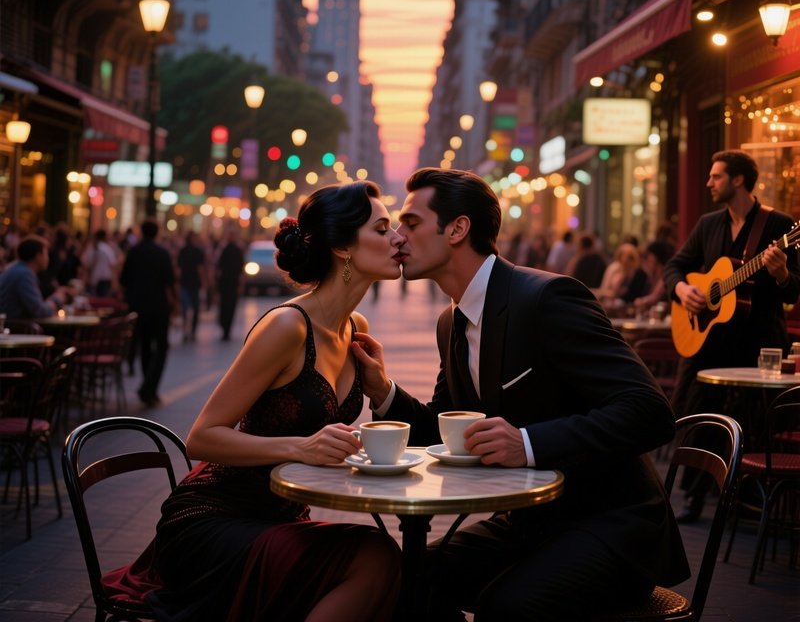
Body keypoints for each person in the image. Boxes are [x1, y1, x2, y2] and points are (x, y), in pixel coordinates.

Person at [353, 168, 688, 621]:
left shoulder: (548, 298)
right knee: (407, 575)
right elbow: (447, 429)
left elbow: (650, 412)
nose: (396, 237)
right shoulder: (451, 322)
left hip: (612, 523)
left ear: (457, 228)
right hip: (530, 520)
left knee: (508, 606)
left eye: (410, 223)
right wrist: (382, 388)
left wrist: (528, 444)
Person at [105, 181, 403, 621]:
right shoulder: (288, 326)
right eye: (382, 229)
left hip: (278, 519)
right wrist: (300, 448)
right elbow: (201, 438)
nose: (397, 238)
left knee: (387, 565)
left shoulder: (353, 325)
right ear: (342, 247)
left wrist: (378, 390)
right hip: (212, 520)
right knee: (376, 557)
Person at [663, 149, 800, 523]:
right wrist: (682, 291)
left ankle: (745, 501)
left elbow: (793, 292)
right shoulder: (709, 224)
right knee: (694, 413)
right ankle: (692, 494)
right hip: (708, 343)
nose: (708, 182)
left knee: (750, 420)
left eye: (716, 176)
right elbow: (676, 266)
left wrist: (781, 273)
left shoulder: (779, 225)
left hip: (758, 343)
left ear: (738, 180)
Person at [119, 220, 176, 407]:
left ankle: (147, 385)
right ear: (157, 232)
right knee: (161, 347)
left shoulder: (133, 252)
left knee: (144, 346)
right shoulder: (162, 253)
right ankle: (149, 387)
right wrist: (174, 304)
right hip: (159, 306)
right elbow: (169, 282)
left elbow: (124, 279)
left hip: (137, 306)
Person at [0, 235, 73, 318]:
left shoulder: (15, 268)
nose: (48, 259)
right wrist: (58, 298)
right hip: (14, 327)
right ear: (38, 256)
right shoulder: (24, 275)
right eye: (46, 254)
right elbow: (41, 311)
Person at [177, 231, 206, 343]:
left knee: (185, 308)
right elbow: (200, 269)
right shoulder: (198, 251)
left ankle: (185, 330)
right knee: (195, 307)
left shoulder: (182, 251)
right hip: (194, 283)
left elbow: (178, 269)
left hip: (185, 282)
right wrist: (204, 282)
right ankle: (192, 330)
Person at [216, 229, 244, 341]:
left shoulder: (228, 250)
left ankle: (225, 328)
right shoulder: (229, 250)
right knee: (228, 306)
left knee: (227, 306)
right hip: (229, 283)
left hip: (228, 283)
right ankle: (226, 328)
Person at [81, 229, 120, 297]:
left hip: (94, 278)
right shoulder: (106, 248)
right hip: (105, 278)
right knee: (102, 301)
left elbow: (87, 263)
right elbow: (113, 264)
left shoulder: (92, 248)